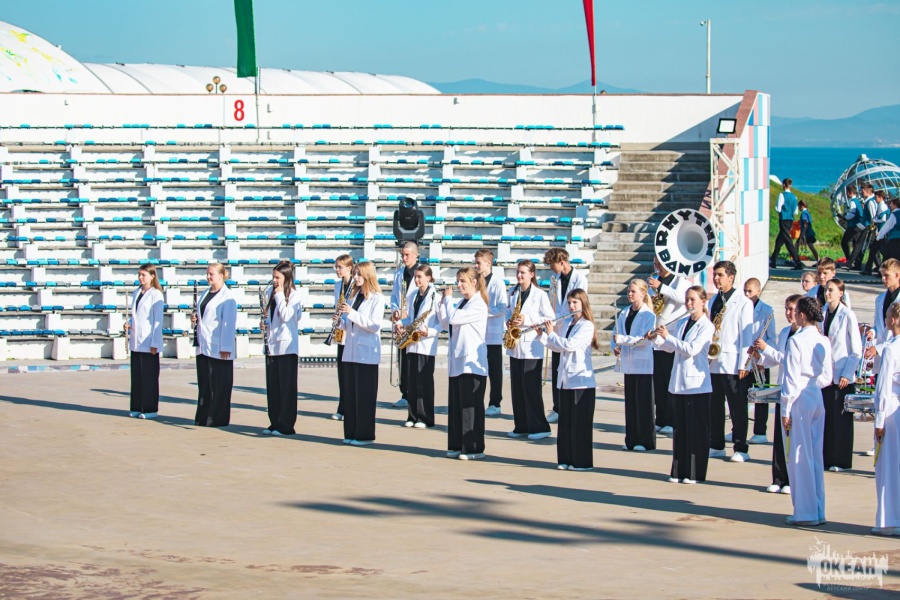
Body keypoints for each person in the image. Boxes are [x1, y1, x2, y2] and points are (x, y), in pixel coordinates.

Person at [651, 285, 715, 484]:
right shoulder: (682, 323)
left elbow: (691, 349)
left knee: (696, 430)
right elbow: (672, 349)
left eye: (693, 299)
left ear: (703, 302)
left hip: (697, 385)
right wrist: (658, 340)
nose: (688, 303)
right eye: (687, 299)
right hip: (678, 383)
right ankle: (679, 471)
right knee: (680, 430)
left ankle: (694, 473)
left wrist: (668, 337)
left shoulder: (707, 326)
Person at [781, 297, 832, 527]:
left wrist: (786, 407)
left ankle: (805, 512)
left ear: (802, 315)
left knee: (799, 455)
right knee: (814, 454)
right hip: (815, 393)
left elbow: (791, 379)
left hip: (800, 396)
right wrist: (812, 385)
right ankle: (818, 509)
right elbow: (827, 376)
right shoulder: (822, 339)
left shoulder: (796, 340)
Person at [538, 289, 599, 471]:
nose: (571, 306)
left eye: (575, 303)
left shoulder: (587, 325)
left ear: (583, 304)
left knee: (580, 424)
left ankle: (581, 462)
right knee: (565, 423)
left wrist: (551, 333)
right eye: (570, 302)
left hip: (581, 381)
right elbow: (558, 347)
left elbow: (570, 345)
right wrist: (541, 335)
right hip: (565, 380)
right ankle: (565, 459)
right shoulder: (567, 324)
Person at [752, 294, 803, 495]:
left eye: (792, 309)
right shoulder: (784, 332)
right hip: (783, 390)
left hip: (797, 393)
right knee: (780, 437)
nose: (789, 313)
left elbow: (789, 361)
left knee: (793, 437)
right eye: (786, 309)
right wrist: (759, 357)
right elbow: (776, 360)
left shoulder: (804, 336)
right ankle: (779, 477)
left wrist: (767, 349)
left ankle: (792, 479)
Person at [438, 267, 489, 460]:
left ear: (474, 282)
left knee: (470, 407)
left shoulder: (479, 304)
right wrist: (442, 303)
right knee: (456, 406)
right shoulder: (461, 303)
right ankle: (457, 444)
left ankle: (474, 448)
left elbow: (454, 318)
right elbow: (446, 323)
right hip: (457, 361)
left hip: (471, 363)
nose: (458, 285)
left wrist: (448, 300)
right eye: (458, 281)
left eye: (462, 281)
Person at [707, 261, 754, 463]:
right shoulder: (713, 300)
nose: (716, 278)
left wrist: (744, 364)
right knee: (714, 406)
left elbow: (746, 335)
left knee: (737, 407)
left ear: (731, 277)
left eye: (720, 275)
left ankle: (741, 447)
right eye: (715, 275)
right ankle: (716, 444)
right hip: (714, 361)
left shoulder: (743, 302)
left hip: (733, 362)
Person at [506, 260, 555, 440]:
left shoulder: (540, 295)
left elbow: (550, 317)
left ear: (532, 274)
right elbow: (508, 312)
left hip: (532, 347)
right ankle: (521, 426)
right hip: (516, 345)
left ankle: (540, 427)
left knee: (531, 389)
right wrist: (508, 321)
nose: (519, 275)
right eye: (518, 272)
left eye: (523, 273)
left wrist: (526, 319)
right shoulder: (513, 293)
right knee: (517, 389)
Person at [339, 261, 384, 446]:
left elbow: (374, 325)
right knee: (350, 394)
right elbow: (349, 324)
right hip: (350, 351)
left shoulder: (377, 298)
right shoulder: (353, 296)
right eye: (355, 274)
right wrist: (340, 321)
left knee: (364, 396)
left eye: (359, 274)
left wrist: (351, 313)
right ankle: (351, 432)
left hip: (367, 354)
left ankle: (365, 435)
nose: (355, 277)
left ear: (367, 275)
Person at [647, 256, 691, 435]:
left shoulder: (681, 281)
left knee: (670, 381)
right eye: (655, 263)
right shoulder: (655, 281)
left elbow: (682, 298)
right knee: (658, 382)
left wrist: (661, 287)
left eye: (659, 263)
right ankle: (661, 418)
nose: (657, 266)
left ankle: (671, 420)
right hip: (656, 338)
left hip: (671, 336)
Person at [543, 248, 588, 424]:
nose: (551, 269)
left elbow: (576, 305)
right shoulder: (555, 279)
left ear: (562, 262)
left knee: (568, 369)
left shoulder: (580, 279)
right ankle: (557, 407)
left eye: (552, 264)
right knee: (556, 370)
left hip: (570, 326)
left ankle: (566, 407)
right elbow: (551, 302)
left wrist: (556, 319)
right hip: (557, 328)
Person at [821, 278, 862, 471]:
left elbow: (856, 350)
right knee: (827, 419)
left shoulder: (848, 315)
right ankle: (827, 459)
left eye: (831, 290)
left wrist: (847, 373)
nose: (827, 293)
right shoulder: (821, 313)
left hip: (842, 375)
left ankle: (842, 461)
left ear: (841, 293)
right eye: (826, 290)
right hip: (826, 376)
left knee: (841, 420)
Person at [612, 279, 656, 451]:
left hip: (642, 364)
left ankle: (645, 441)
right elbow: (615, 334)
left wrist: (622, 340)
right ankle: (631, 439)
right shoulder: (624, 313)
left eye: (633, 291)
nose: (630, 294)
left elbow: (644, 339)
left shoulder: (649, 315)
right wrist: (615, 346)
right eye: (629, 291)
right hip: (628, 364)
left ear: (643, 293)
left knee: (643, 404)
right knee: (630, 404)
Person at [193, 263, 238, 427]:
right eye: (207, 273)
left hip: (218, 347)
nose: (208, 277)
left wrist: (226, 347)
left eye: (211, 274)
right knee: (205, 383)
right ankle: (203, 416)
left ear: (221, 275)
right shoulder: (205, 293)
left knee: (219, 385)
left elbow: (229, 323)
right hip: (203, 345)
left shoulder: (228, 297)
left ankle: (217, 418)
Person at [262, 260, 303, 436]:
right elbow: (273, 317)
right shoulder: (271, 292)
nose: (274, 281)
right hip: (272, 345)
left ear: (286, 278)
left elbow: (286, 316)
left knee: (286, 388)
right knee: (273, 387)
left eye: (277, 277)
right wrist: (265, 323)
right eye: (273, 277)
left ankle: (286, 425)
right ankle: (275, 421)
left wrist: (279, 296)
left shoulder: (294, 295)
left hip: (287, 346)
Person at [397, 264, 440, 429]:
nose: (416, 280)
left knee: (424, 382)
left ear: (429, 278)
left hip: (426, 344)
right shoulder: (413, 295)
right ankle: (412, 415)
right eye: (415, 276)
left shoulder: (435, 297)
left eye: (419, 277)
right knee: (412, 381)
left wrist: (430, 332)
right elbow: (410, 318)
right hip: (412, 342)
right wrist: (400, 323)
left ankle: (425, 417)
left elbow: (442, 323)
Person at [873, 301, 900, 536]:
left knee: (887, 465)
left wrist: (879, 420)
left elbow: (883, 388)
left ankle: (889, 519)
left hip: (890, 406)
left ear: (893, 320)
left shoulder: (891, 349)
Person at [125, 263, 164, 419]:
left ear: (152, 276)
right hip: (136, 341)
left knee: (149, 377)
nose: (140, 277)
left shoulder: (156, 294)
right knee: (137, 377)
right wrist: (129, 323)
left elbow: (157, 320)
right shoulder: (136, 292)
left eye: (143, 275)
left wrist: (155, 343)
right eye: (139, 275)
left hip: (149, 341)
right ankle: (136, 406)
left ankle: (150, 409)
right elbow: (135, 315)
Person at [475, 249, 509, 417]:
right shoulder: (476, 281)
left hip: (493, 334)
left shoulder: (498, 283)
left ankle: (495, 402)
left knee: (495, 371)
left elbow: (503, 307)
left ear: (488, 263)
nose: (476, 265)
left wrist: (485, 311)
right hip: (478, 333)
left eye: (478, 263)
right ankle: (477, 401)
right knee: (478, 369)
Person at [743, 278, 776, 445]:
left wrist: (761, 354)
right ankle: (737, 429)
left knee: (761, 396)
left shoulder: (767, 310)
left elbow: (771, 338)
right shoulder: (741, 307)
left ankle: (760, 431)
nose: (747, 294)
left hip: (759, 360)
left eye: (750, 291)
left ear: (758, 291)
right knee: (740, 396)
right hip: (744, 359)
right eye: (745, 291)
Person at [389, 241, 420, 409]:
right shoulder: (398, 274)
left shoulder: (422, 273)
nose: (404, 258)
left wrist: (409, 315)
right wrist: (395, 310)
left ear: (416, 255)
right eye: (403, 255)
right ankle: (404, 393)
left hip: (413, 321)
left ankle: (414, 393)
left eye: (407, 255)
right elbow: (394, 296)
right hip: (401, 320)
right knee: (402, 359)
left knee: (412, 359)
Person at [331, 254, 354, 421]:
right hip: (341, 330)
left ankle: (350, 408)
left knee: (350, 372)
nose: (337, 270)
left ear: (349, 268)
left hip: (351, 331)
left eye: (340, 267)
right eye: (336, 267)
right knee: (342, 372)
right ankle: (342, 407)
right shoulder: (337, 285)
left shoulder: (355, 284)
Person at [770, 178, 803, 269]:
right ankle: (773, 260)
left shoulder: (782, 195)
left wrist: (782, 212)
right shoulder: (794, 197)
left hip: (783, 218)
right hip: (790, 219)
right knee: (779, 240)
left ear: (784, 185)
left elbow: (778, 208)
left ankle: (798, 261)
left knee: (788, 240)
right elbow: (795, 212)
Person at [847, 183, 877, 271]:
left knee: (859, 245)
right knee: (867, 246)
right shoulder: (870, 201)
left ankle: (851, 263)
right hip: (866, 226)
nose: (861, 192)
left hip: (868, 227)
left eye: (862, 191)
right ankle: (858, 264)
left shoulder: (870, 202)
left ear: (868, 191)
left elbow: (873, 216)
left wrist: (872, 227)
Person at [862, 190, 890, 275]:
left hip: (881, 233)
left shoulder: (882, 206)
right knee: (874, 250)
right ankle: (870, 269)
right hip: (880, 232)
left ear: (881, 197)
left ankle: (874, 269)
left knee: (879, 251)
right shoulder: (880, 205)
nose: (875, 199)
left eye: (876, 197)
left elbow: (883, 219)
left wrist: (875, 220)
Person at [841, 184, 865, 268]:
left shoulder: (852, 202)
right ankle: (857, 263)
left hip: (853, 225)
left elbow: (852, 213)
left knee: (844, 242)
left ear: (850, 192)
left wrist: (845, 217)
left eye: (847, 192)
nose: (847, 194)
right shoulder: (858, 201)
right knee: (856, 244)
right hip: (858, 225)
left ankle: (849, 260)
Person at [877, 196, 900, 263]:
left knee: (889, 259)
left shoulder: (895, 214)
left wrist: (879, 236)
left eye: (891, 204)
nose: (890, 205)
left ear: (895, 205)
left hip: (894, 239)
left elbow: (887, 227)